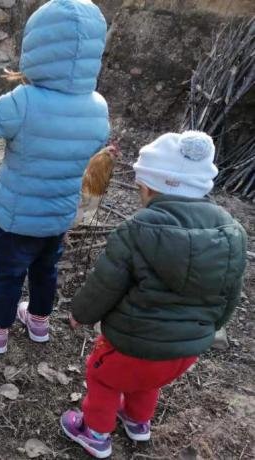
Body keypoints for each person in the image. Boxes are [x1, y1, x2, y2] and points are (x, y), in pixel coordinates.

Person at [61, 130, 247, 459]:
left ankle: (95, 434)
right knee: (148, 382)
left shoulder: (136, 230)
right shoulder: (232, 232)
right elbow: (230, 295)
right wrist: (209, 327)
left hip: (131, 344)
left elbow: (105, 284)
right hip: (184, 353)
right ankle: (137, 422)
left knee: (103, 379)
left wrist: (80, 313)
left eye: (139, 187)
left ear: (148, 187)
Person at [0, 0, 110, 354]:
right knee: (46, 270)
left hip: (16, 217)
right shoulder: (98, 106)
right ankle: (39, 323)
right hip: (58, 216)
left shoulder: (24, 99)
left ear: (37, 47)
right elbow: (95, 143)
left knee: (8, 274)